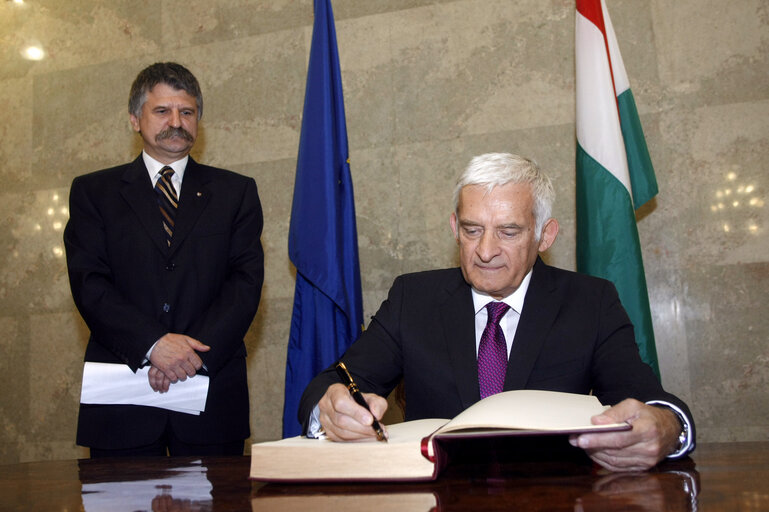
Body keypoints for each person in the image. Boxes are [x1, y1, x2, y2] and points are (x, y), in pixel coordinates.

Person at [298, 152, 694, 472]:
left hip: (553, 498)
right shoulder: (413, 298)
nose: (485, 251)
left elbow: (652, 404)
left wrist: (666, 428)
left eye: (508, 232)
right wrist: (330, 409)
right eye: (472, 230)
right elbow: (336, 381)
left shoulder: (590, 302)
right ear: (454, 227)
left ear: (545, 235)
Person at [64, 62, 264, 457]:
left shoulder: (235, 192)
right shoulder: (93, 192)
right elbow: (90, 284)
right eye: (162, 111)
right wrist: (152, 344)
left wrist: (186, 357)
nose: (177, 121)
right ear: (135, 120)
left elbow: (244, 283)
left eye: (187, 112)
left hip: (210, 396)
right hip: (122, 401)